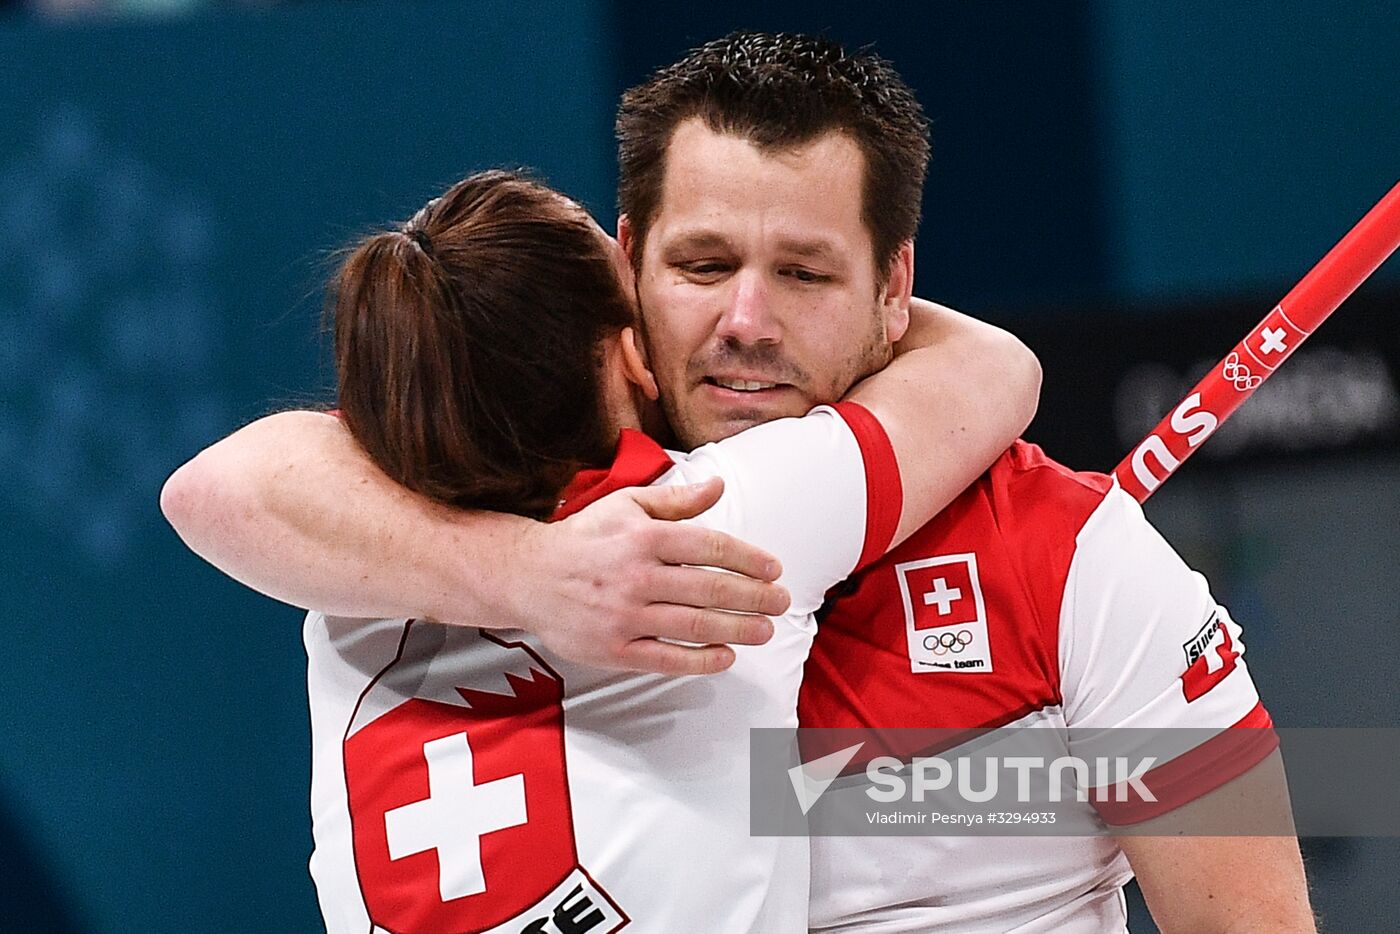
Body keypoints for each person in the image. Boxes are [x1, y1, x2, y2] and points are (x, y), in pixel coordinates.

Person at [162, 31, 1314, 934]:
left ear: (893, 282)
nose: (744, 323)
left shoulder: (1069, 557)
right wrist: (528, 574)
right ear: (626, 272)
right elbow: (229, 483)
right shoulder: (457, 497)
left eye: (804, 273)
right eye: (701, 266)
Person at [180, 163, 1036, 934]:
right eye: (662, 285)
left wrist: (515, 575)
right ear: (631, 350)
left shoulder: (350, 572)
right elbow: (993, 370)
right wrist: (534, 576)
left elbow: (207, 489)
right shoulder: (721, 516)